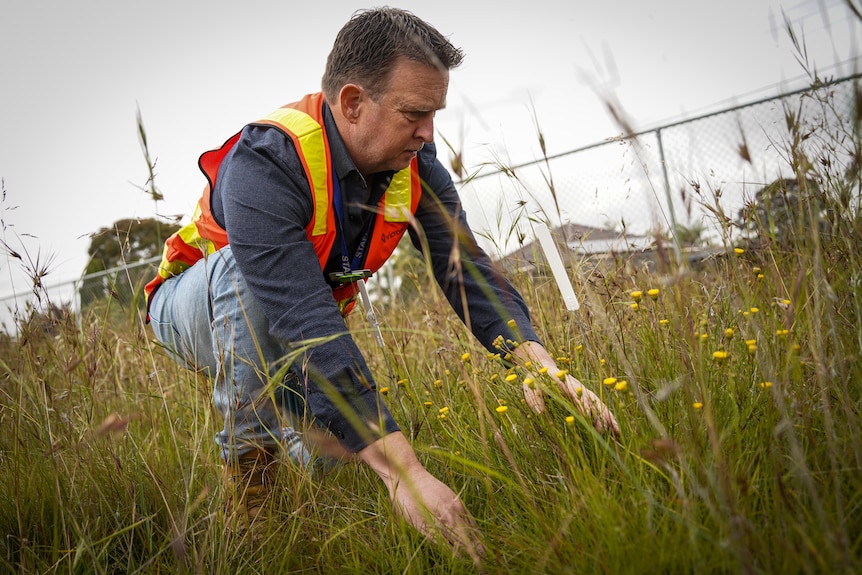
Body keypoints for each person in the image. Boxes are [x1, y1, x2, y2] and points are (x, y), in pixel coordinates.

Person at [145, 6, 619, 556]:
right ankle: (252, 499)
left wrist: (541, 370)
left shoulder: (417, 167)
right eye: (414, 113)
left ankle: (296, 444)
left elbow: (464, 272)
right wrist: (405, 472)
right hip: (194, 308)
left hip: (290, 329)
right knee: (252, 292)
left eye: (435, 114)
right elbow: (301, 312)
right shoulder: (267, 161)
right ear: (352, 103)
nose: (428, 133)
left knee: (340, 451)